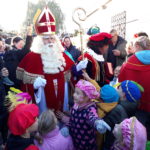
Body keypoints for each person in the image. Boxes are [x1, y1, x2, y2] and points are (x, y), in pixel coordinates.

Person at [16, 7, 74, 112]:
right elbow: (26, 87)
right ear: (39, 41)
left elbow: (71, 74)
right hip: (42, 99)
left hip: (61, 94)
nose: (50, 41)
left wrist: (77, 68)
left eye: (52, 38)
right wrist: (35, 87)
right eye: (46, 38)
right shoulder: (31, 57)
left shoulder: (60, 54)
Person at [57, 79, 111, 150]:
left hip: (87, 146)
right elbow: (73, 121)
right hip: (76, 142)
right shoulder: (76, 105)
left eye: (77, 93)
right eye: (74, 92)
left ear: (87, 96)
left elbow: (92, 117)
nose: (73, 95)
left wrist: (97, 122)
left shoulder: (90, 109)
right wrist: (67, 127)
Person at [119, 36, 150, 139]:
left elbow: (121, 82)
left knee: (137, 134)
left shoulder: (130, 61)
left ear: (137, 46)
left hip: (136, 105)